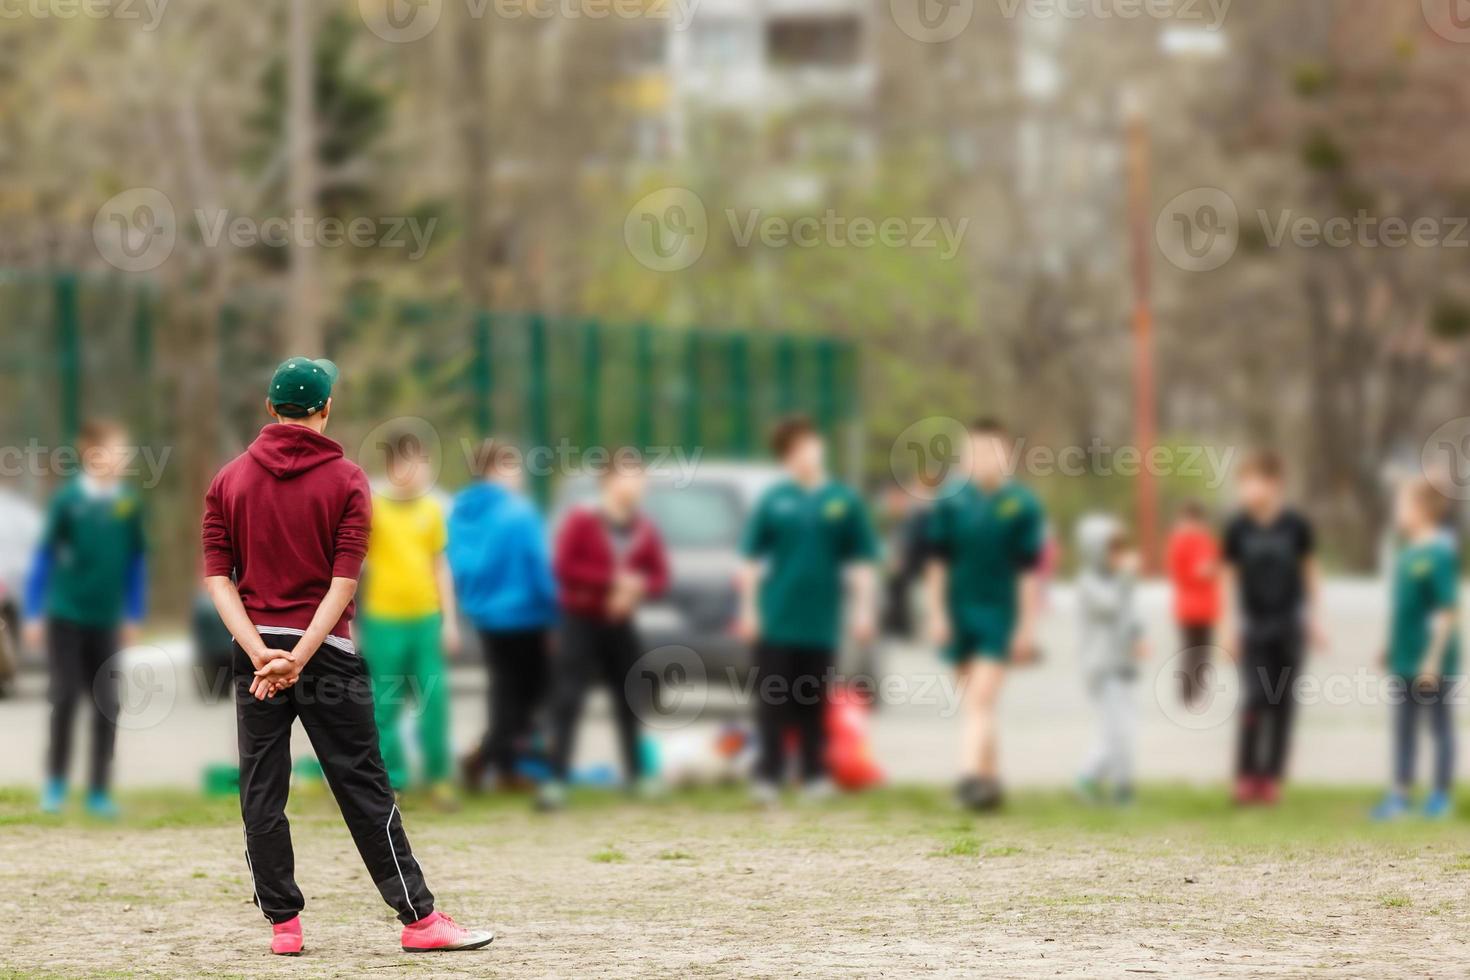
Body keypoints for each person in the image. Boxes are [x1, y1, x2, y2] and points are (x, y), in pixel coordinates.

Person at [202, 356, 491, 955]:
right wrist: (302, 656)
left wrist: (262, 654)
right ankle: (419, 921)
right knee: (364, 784)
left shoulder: (227, 480)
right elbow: (343, 584)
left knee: (262, 787)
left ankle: (283, 925)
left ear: (270, 408)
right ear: (326, 408)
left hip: (256, 656)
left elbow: (218, 581)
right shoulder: (349, 481)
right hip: (325, 651)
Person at [737, 416, 879, 805]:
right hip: (777, 619)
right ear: (786, 457)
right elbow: (749, 560)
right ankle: (769, 774)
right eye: (796, 449)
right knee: (772, 700)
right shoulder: (774, 500)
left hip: (821, 622)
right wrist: (750, 610)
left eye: (811, 444)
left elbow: (863, 561)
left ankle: (815, 774)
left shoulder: (843, 501)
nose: (807, 454)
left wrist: (864, 611)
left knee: (813, 701)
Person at [23, 419, 147, 817]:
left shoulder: (127, 503)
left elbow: (136, 560)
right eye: (116, 449)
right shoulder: (68, 500)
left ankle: (98, 791)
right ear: (92, 453)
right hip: (65, 615)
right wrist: (32, 612)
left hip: (106, 620)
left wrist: (133, 611)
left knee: (107, 702)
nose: (123, 458)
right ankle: (56, 784)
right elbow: (44, 558)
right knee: (64, 697)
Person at [925, 418, 1045, 811]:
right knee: (976, 704)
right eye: (974, 452)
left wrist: (1027, 627)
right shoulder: (950, 499)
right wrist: (937, 614)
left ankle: (968, 779)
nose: (982, 460)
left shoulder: (1022, 505)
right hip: (958, 613)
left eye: (991, 451)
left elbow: (1028, 574)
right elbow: (938, 564)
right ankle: (990, 784)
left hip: (999, 616)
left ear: (1007, 455)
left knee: (979, 700)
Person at [542, 449, 670, 810]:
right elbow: (565, 567)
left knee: (630, 695)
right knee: (568, 699)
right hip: (580, 622)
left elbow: (659, 576)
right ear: (611, 480)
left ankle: (637, 776)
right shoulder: (583, 520)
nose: (638, 484)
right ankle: (555, 781)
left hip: (620, 624)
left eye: (641, 477)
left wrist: (637, 588)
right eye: (631, 475)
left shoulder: (643, 528)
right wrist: (612, 582)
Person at [448, 438, 558, 792]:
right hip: (526, 616)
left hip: (484, 615)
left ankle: (501, 761)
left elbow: (455, 562)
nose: (519, 475)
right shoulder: (518, 513)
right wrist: (557, 614)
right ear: (496, 470)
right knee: (528, 692)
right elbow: (539, 569)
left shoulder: (462, 511)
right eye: (513, 468)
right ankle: (496, 760)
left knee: (504, 689)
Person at [359, 429, 460, 808]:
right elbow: (355, 561)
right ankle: (392, 780)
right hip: (383, 620)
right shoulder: (374, 506)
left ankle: (439, 778)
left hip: (425, 619)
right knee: (385, 703)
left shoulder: (432, 510)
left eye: (420, 464)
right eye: (406, 464)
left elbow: (440, 565)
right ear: (392, 468)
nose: (414, 472)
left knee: (433, 700)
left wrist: (449, 620)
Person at [1221, 449, 1323, 807]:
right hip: (1254, 626)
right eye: (1242, 483)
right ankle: (1246, 775)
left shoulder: (1296, 526)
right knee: (1255, 698)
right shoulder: (1237, 527)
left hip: (1289, 625)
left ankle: (1270, 778)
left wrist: (1316, 619)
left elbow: (1310, 573)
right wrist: (1227, 628)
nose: (1246, 490)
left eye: (1252, 482)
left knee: (1282, 701)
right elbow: (1228, 579)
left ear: (1273, 483)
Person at [1372, 479, 1458, 821]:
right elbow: (1403, 609)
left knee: (1439, 728)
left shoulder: (1439, 554)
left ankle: (1440, 796)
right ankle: (1401, 795)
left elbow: (1447, 610)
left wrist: (1433, 658)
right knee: (1404, 728)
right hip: (1404, 659)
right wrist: (1388, 647)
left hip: (1430, 662)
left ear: (1422, 511)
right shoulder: (1407, 554)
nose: (1399, 512)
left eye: (1403, 505)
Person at [1074, 514, 1146, 805]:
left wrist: (1138, 637)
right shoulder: (1088, 581)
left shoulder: (1119, 580)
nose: (1118, 555)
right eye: (1111, 548)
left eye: (1120, 548)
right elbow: (1110, 606)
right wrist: (1127, 576)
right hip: (1102, 666)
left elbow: (1129, 615)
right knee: (1119, 731)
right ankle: (1120, 788)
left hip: (1122, 664)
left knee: (1120, 728)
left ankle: (1088, 779)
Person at [1165, 500, 1222, 708]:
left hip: (1197, 605)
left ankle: (1191, 693)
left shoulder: (1181, 540)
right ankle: (1190, 693)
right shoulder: (1193, 541)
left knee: (1196, 651)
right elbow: (1202, 570)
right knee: (1196, 651)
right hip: (1195, 605)